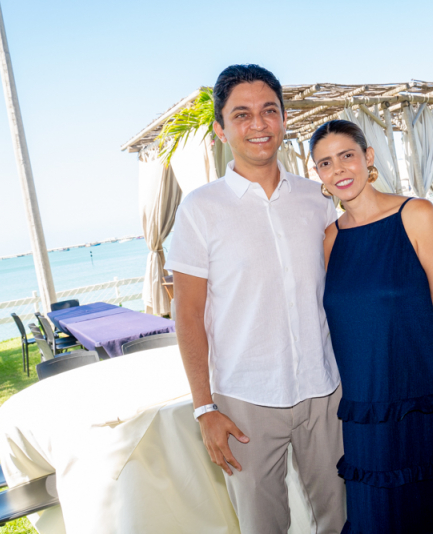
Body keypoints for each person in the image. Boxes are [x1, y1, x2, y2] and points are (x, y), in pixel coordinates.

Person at [167, 65, 345, 534]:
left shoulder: (317, 198)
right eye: (241, 114)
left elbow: (342, 289)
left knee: (342, 519)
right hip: (244, 400)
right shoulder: (200, 209)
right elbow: (187, 314)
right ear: (220, 130)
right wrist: (204, 408)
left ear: (284, 120)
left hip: (324, 389)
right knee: (262, 527)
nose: (258, 124)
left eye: (269, 111)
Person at [312, 120, 433, 533]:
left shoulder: (416, 215)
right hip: (364, 418)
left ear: (368, 157)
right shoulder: (330, 240)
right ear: (318, 174)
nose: (338, 169)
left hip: (425, 405)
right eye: (325, 163)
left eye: (347, 156)